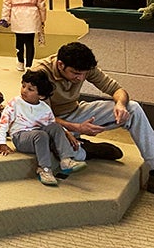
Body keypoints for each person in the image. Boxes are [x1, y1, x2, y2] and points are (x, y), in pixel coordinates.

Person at [29, 42, 151, 190]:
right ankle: (86, 149)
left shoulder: (85, 67)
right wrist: (77, 128)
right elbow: (43, 117)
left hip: (75, 111)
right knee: (68, 154)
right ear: (60, 65)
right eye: (75, 73)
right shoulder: (39, 73)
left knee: (133, 108)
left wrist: (120, 104)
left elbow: (116, 89)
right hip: (49, 123)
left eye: (84, 74)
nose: (81, 78)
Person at [0, 70, 87, 186]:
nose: (24, 90)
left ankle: (66, 160)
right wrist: (1, 143)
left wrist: (67, 133)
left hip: (38, 135)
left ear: (41, 95)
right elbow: (3, 122)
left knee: (55, 126)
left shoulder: (44, 108)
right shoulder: (15, 103)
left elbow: (52, 123)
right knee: (41, 135)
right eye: (23, 86)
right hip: (20, 137)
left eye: (30, 89)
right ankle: (44, 169)